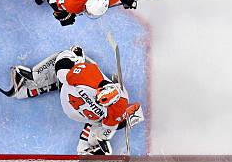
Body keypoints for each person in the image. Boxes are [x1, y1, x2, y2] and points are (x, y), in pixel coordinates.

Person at [9, 46, 144, 155]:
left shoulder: (89, 74)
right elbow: (107, 131)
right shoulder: (115, 116)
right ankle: (86, 147)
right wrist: (102, 142)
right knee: (99, 123)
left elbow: (61, 68)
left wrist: (76, 59)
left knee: (64, 59)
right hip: (77, 114)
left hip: (68, 98)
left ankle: (30, 80)